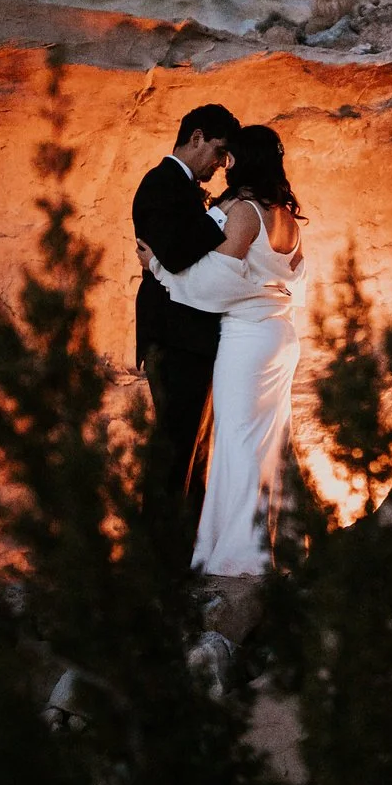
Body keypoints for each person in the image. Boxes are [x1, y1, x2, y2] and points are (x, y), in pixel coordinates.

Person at [139, 124, 307, 693]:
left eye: (231, 158)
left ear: (243, 161)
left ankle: (235, 557)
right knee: (266, 444)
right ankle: (261, 543)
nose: (225, 165)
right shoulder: (284, 212)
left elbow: (217, 281)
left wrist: (159, 268)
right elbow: (287, 274)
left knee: (236, 439)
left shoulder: (243, 212)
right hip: (282, 334)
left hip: (247, 338)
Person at [131, 103, 240, 569]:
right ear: (196, 137)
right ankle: (156, 563)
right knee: (174, 451)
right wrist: (219, 220)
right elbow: (174, 256)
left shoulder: (189, 192)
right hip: (172, 339)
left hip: (193, 340)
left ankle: (182, 557)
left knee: (194, 451)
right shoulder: (160, 185)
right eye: (218, 151)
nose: (221, 164)